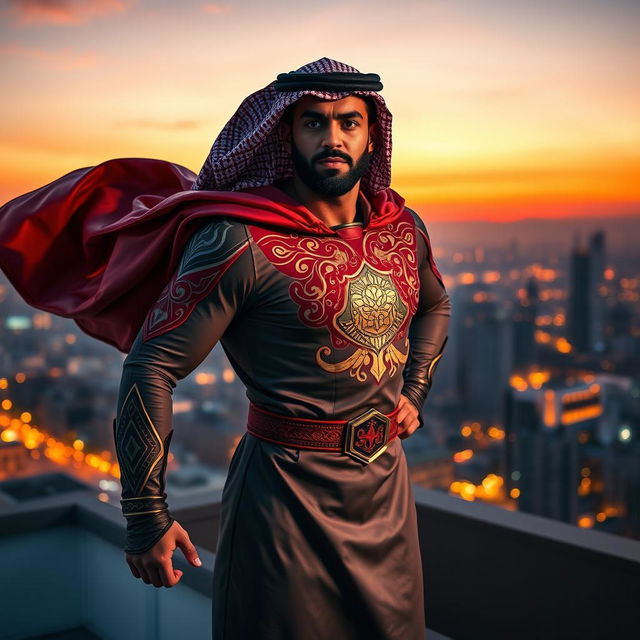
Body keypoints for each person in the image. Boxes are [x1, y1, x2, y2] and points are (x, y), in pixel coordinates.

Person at [0, 57, 450, 639]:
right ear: (287, 134)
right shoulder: (238, 240)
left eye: (349, 122)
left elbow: (435, 305)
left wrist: (414, 390)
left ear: (373, 134)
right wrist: (144, 516)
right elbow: (152, 366)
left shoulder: (402, 229)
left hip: (388, 491)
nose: (333, 137)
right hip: (285, 503)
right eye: (314, 122)